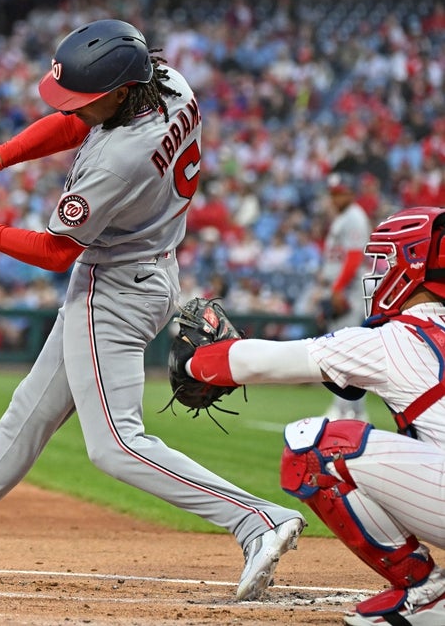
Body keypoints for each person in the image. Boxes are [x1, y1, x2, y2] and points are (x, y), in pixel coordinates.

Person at [0, 19, 305, 600]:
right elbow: (76, 120)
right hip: (149, 266)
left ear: (121, 90)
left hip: (113, 289)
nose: (73, 105)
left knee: (115, 446)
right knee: (26, 416)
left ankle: (257, 519)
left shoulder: (119, 158)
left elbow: (54, 252)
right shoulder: (167, 84)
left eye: (87, 96)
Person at [172, 206, 445, 625]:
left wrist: (193, 362)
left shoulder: (397, 337)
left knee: (314, 448)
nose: (378, 273)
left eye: (386, 261)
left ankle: (425, 592)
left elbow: (265, 363)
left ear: (412, 266)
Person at [317, 172, 373, 422]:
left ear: (351, 193)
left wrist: (337, 288)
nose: (335, 198)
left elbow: (353, 258)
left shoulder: (354, 217)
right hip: (340, 287)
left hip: (349, 291)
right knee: (342, 351)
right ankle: (352, 410)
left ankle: (346, 410)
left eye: (339, 193)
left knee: (346, 352)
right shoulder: (343, 217)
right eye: (333, 194)